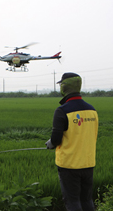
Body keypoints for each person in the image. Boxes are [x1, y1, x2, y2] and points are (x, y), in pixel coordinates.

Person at [45, 72, 98, 211]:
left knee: (72, 201)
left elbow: (56, 139)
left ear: (64, 87)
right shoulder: (92, 110)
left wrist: (51, 143)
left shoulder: (62, 110)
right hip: (88, 163)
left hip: (69, 165)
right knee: (87, 200)